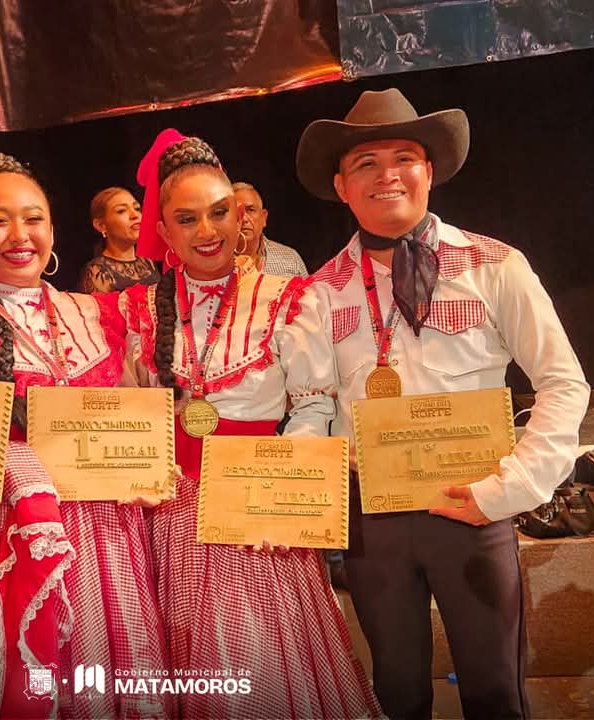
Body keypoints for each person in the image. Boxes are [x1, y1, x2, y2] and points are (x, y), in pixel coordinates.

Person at [296, 88, 590, 719]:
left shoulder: (495, 265)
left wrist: (510, 488)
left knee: (493, 693)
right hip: (374, 521)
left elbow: (564, 382)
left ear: (429, 171)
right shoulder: (320, 291)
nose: (387, 175)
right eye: (365, 164)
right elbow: (313, 408)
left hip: (476, 510)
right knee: (397, 690)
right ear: (341, 186)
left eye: (403, 157)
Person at [0, 153, 169, 718]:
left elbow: (133, 406)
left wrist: (146, 464)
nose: (19, 235)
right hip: (9, 533)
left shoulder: (94, 312)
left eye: (33, 218)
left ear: (52, 229)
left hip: (104, 532)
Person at [119, 130, 382, 719]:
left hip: (257, 511)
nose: (207, 231)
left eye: (219, 213)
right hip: (166, 522)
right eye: (186, 220)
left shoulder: (289, 297)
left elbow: (314, 406)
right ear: (163, 233)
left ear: (243, 215)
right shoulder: (134, 308)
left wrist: (284, 490)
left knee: (256, 665)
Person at [79, 186, 160, 293]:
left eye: (137, 208)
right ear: (101, 225)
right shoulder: (97, 271)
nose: (135, 215)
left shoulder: (148, 262)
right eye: (121, 211)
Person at [232, 181, 308, 277]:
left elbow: (309, 291)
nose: (244, 219)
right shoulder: (215, 262)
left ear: (263, 218)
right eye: (237, 211)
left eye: (250, 210)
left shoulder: (290, 260)